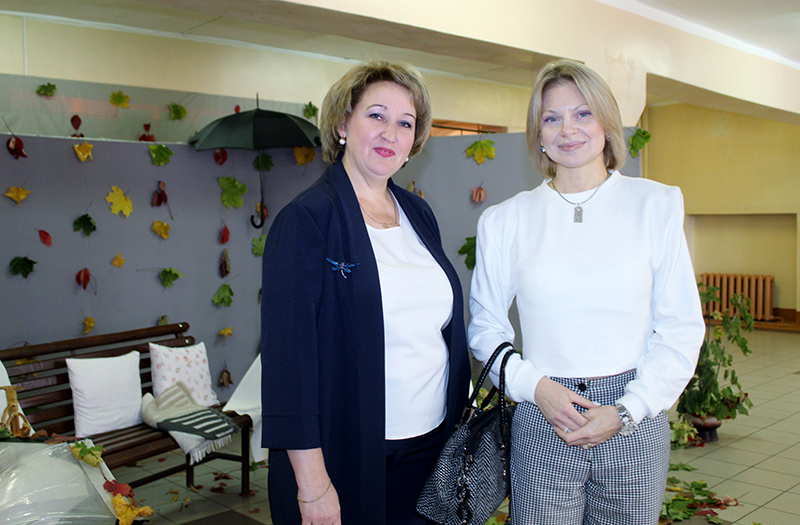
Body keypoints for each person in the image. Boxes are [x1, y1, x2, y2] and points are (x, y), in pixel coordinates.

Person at [467, 59, 705, 524]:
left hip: (633, 415)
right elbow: (485, 329)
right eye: (551, 118)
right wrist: (537, 388)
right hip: (542, 411)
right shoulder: (505, 220)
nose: (567, 130)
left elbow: (680, 327)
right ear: (537, 133)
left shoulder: (655, 204)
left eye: (582, 114)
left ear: (607, 124)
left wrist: (628, 408)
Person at [260, 60, 471, 525]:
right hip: (348, 455)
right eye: (376, 115)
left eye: (405, 123)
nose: (390, 133)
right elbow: (288, 367)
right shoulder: (307, 219)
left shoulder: (418, 213)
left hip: (431, 448)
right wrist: (312, 485)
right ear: (342, 124)